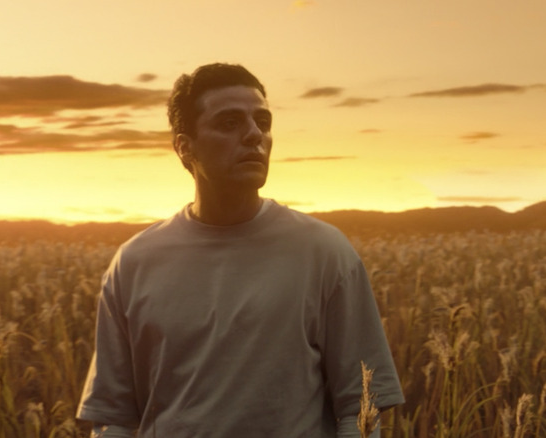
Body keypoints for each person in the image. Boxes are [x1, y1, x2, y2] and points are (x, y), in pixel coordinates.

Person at [77, 63, 404, 438]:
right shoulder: (134, 263)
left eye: (262, 122)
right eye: (230, 123)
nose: (254, 135)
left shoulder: (324, 252)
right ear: (185, 147)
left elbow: (360, 406)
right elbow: (113, 418)